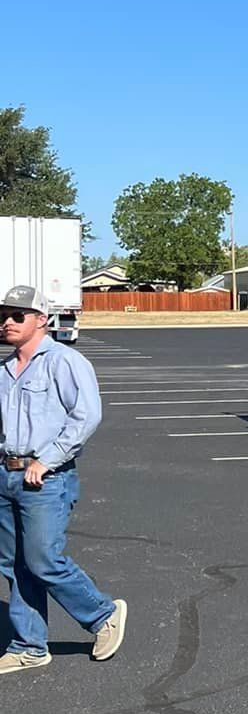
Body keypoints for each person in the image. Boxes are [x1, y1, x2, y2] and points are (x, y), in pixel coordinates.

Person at [0, 284, 126, 674]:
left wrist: (47, 459)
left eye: (17, 315)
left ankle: (103, 614)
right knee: (14, 565)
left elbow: (86, 415)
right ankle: (29, 646)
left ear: (43, 320)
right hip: (6, 475)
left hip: (46, 479)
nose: (7, 321)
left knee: (43, 561)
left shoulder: (65, 362)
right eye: (3, 315)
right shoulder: (4, 370)